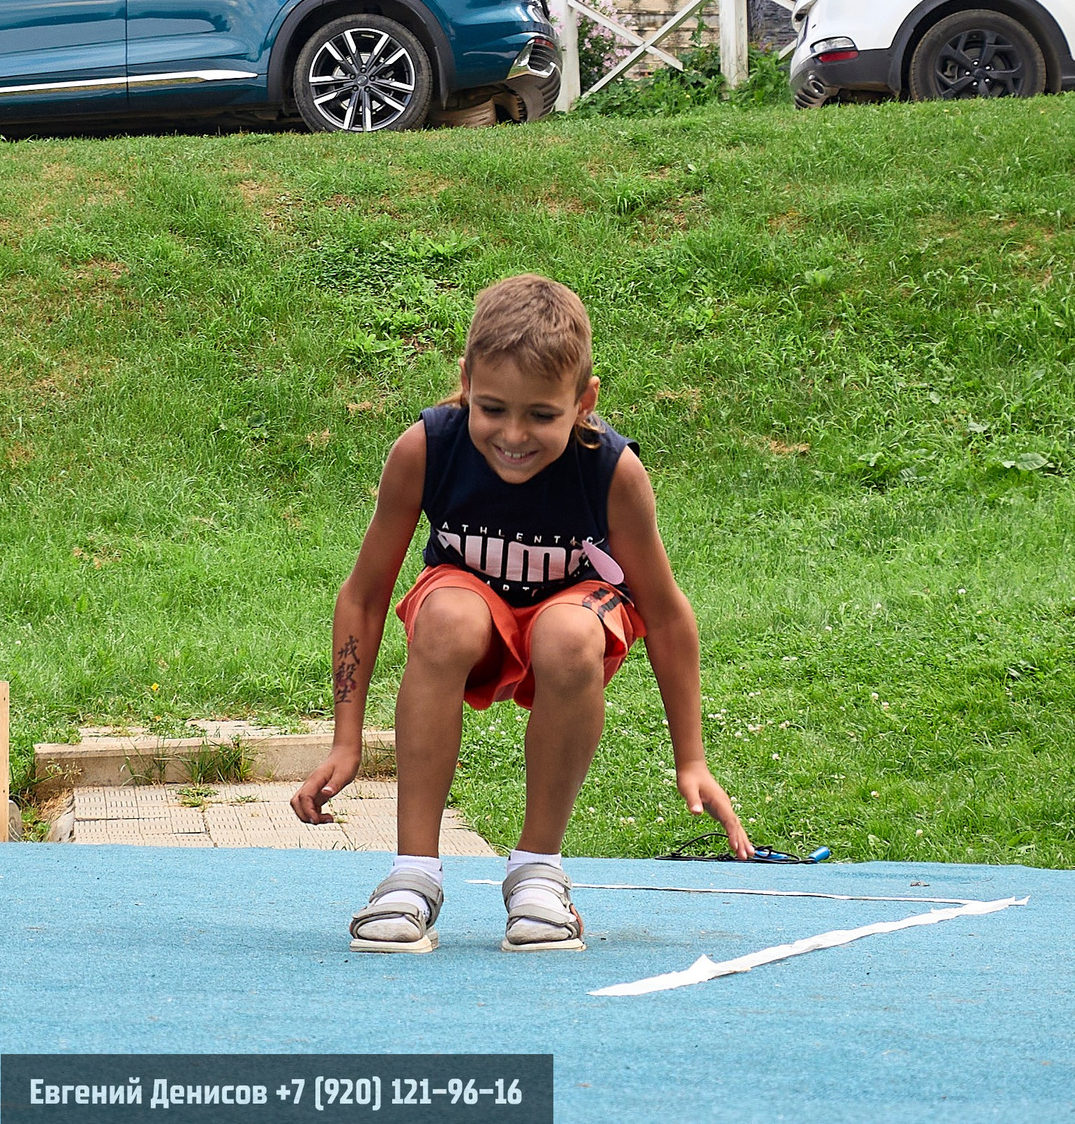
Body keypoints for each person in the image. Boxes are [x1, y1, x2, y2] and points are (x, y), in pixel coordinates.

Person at [291, 274, 750, 952]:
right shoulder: (426, 449)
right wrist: (345, 738)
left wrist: (693, 759)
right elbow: (362, 594)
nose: (512, 435)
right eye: (492, 407)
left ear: (584, 399)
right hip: (469, 614)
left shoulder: (611, 473)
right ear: (466, 378)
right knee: (447, 616)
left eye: (541, 415)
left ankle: (538, 872)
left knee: (568, 633)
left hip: (568, 616)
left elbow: (669, 614)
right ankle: (411, 875)